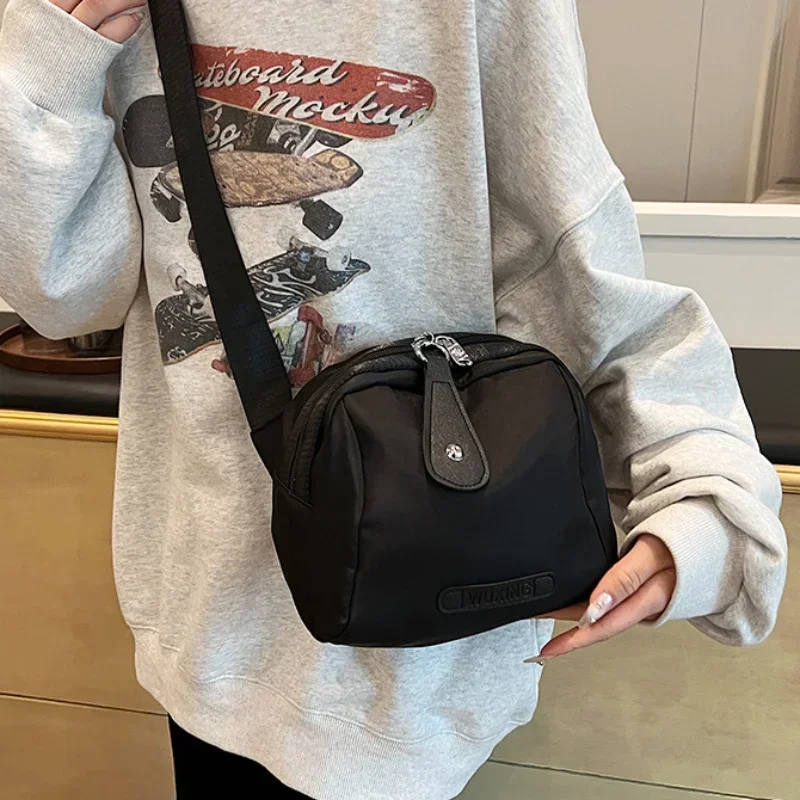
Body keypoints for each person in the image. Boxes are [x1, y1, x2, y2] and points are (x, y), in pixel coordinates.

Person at [0, 0, 788, 797]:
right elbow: (76, 297)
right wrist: (46, 62)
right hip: (216, 626)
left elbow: (571, 256)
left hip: (428, 643)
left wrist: (705, 492)